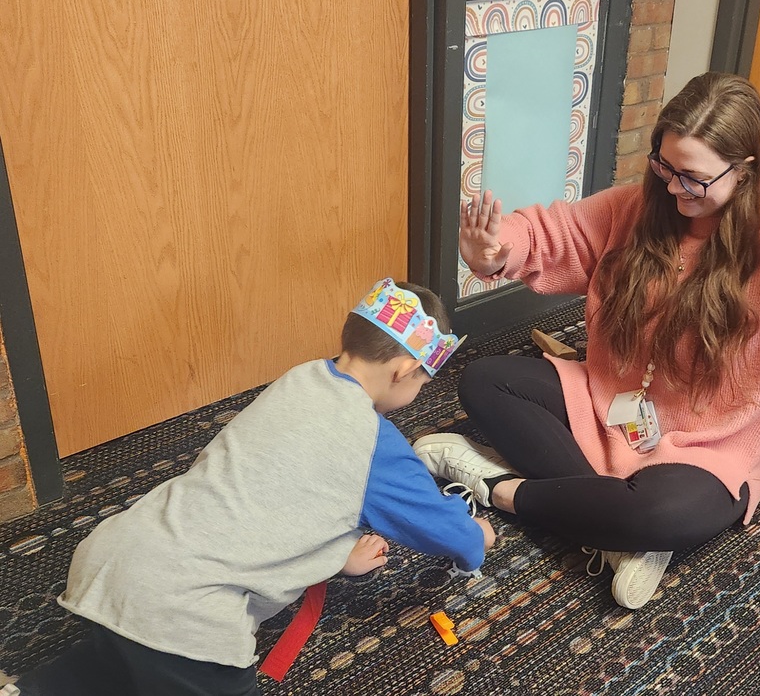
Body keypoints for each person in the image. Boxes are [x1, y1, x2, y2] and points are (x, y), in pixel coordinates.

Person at [412, 72, 760, 610]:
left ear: (746, 171)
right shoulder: (639, 210)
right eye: (664, 166)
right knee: (485, 380)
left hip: (712, 447)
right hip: (610, 406)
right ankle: (615, 531)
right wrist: (498, 251)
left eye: (693, 177)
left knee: (661, 516)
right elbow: (554, 231)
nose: (672, 187)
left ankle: (497, 483)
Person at [8, 278, 495, 696]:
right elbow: (436, 526)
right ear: (405, 371)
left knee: (121, 663)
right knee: (176, 661)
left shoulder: (301, 379)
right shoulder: (374, 443)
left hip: (118, 558)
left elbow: (272, 484)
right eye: (422, 384)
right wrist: (476, 538)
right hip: (187, 612)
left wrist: (335, 554)